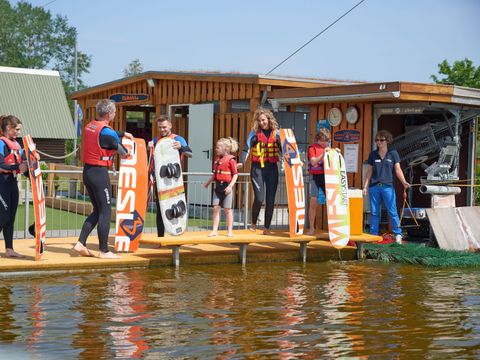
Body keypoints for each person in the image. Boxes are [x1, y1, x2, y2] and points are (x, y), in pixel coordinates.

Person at [74, 99, 133, 259]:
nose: (114, 115)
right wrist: (128, 150)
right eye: (114, 113)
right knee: (106, 211)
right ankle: (104, 250)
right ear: (108, 114)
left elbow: (106, 136)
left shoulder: (90, 126)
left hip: (87, 171)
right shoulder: (108, 133)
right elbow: (122, 150)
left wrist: (123, 133)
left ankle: (80, 243)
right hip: (100, 174)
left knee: (98, 210)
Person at [238, 108, 281, 235]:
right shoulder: (254, 134)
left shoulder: (277, 134)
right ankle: (253, 223)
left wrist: (294, 162)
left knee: (270, 199)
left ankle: (267, 228)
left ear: (269, 119)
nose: (262, 122)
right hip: (257, 169)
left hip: (272, 169)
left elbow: (286, 150)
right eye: (260, 120)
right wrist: (242, 161)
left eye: (264, 120)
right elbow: (246, 148)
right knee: (259, 198)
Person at [362, 130, 410, 244]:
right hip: (374, 187)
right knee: (374, 212)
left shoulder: (393, 153)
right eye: (377, 140)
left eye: (381, 140)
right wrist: (364, 186)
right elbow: (369, 172)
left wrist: (404, 182)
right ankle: (373, 235)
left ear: (387, 141)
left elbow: (398, 170)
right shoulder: (373, 154)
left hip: (388, 186)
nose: (379, 142)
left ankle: (398, 234)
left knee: (392, 211)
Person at [150, 115, 192, 237]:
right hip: (160, 180)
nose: (162, 129)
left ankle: (177, 234)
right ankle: (160, 238)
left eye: (164, 127)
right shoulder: (155, 140)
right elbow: (151, 160)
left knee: (177, 206)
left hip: (174, 180)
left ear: (170, 126)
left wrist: (181, 147)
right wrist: (148, 148)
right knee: (161, 209)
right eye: (160, 127)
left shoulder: (178, 138)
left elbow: (190, 153)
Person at [0, 115, 28, 258]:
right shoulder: (1, 143)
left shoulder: (16, 145)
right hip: (2, 183)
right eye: (16, 129)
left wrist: (34, 158)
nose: (18, 132)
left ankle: (9, 249)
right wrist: (18, 166)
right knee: (3, 217)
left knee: (10, 218)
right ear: (9, 128)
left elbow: (25, 159)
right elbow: (1, 164)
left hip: (12, 183)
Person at [203, 137, 239, 237]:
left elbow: (235, 175)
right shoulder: (217, 160)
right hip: (218, 188)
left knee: (227, 210)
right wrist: (208, 182)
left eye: (218, 147)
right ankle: (214, 230)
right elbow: (215, 174)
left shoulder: (231, 160)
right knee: (215, 208)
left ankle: (230, 231)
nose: (216, 149)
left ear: (225, 149)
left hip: (227, 188)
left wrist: (230, 187)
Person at [306, 128, 331, 235]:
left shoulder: (329, 149)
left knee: (331, 203)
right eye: (322, 140)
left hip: (327, 177)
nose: (324, 143)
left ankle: (333, 229)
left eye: (326, 140)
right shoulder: (312, 148)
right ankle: (311, 228)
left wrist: (336, 153)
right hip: (315, 177)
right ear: (317, 139)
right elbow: (313, 162)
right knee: (313, 202)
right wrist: (323, 154)